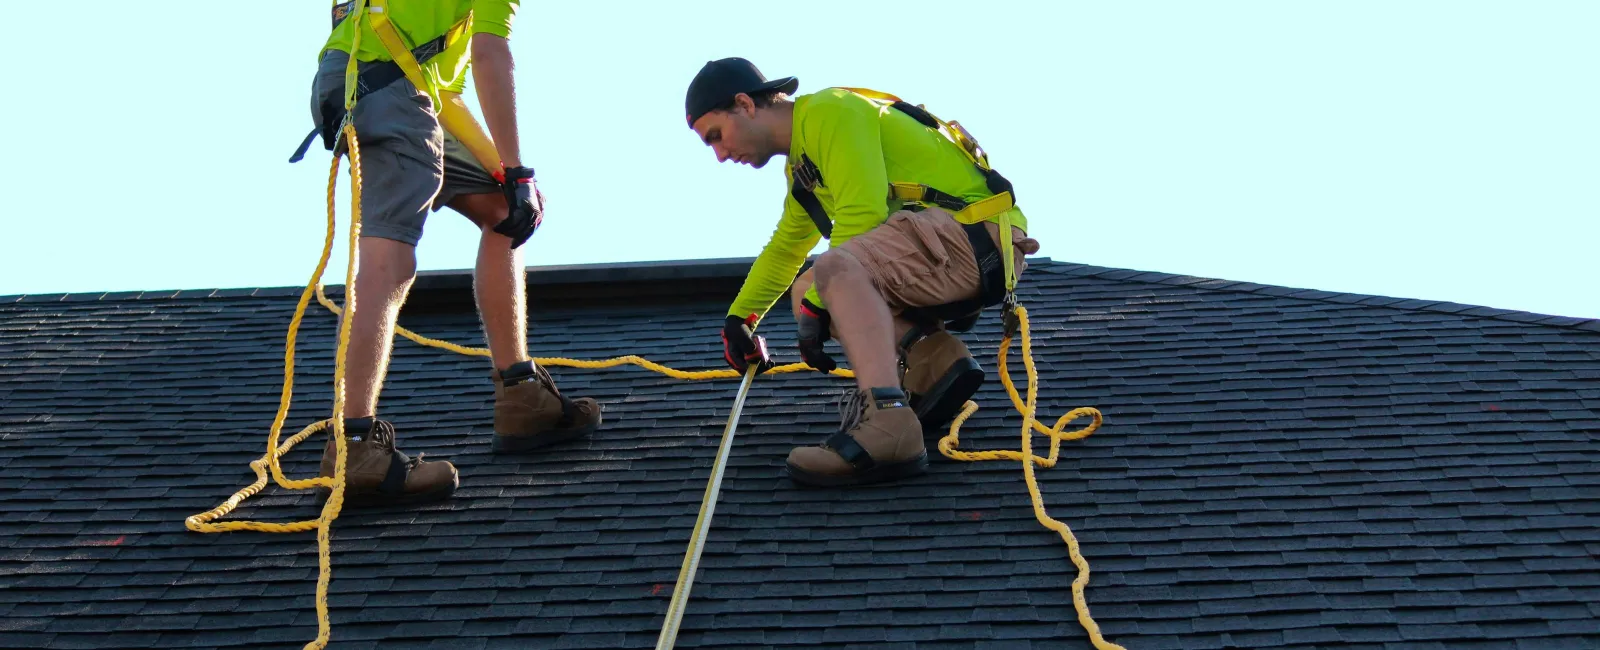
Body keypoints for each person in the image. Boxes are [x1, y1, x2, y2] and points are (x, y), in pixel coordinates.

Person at [295, 1, 600, 506]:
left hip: (384, 86)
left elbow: (446, 91)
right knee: (388, 262)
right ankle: (353, 446)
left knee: (507, 212)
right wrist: (520, 168)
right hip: (388, 91)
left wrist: (507, 174)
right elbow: (490, 56)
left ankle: (522, 396)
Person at [686, 58, 1040, 487]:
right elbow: (785, 248)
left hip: (972, 236)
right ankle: (934, 358)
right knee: (806, 287)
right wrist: (740, 319)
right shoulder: (803, 166)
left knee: (832, 270)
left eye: (716, 137)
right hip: (951, 245)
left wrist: (822, 302)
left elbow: (863, 214)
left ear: (744, 104)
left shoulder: (829, 111)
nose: (721, 155)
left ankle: (889, 424)